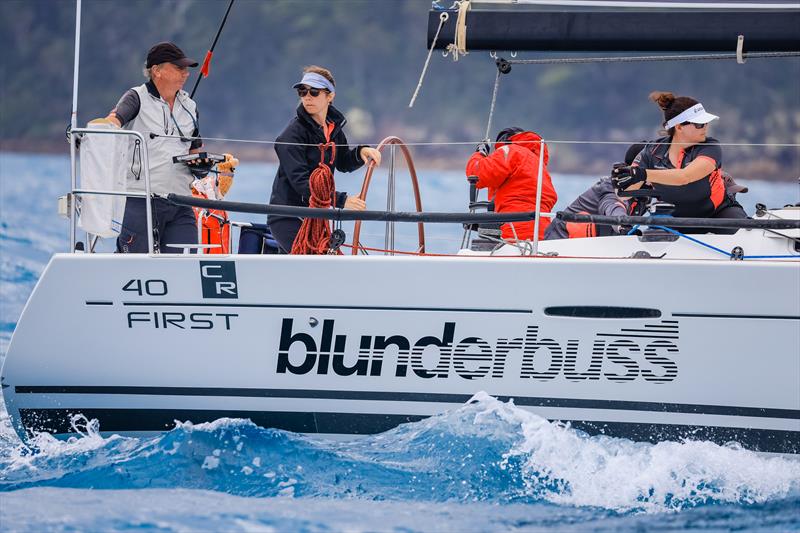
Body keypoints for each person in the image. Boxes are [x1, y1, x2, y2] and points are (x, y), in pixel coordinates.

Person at [268, 66, 382, 253]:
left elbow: (344, 161)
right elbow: (302, 184)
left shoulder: (333, 128)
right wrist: (342, 200)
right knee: (314, 263)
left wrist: (361, 153)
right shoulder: (290, 136)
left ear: (330, 96)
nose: (307, 97)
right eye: (302, 91)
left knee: (322, 263)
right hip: (287, 217)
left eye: (314, 92)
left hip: (316, 217)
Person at [106, 42, 207, 253]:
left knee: (186, 263)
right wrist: (103, 129)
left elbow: (195, 149)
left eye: (186, 69)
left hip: (180, 201)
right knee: (134, 263)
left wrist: (202, 164)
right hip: (140, 200)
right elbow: (114, 120)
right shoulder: (136, 97)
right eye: (179, 68)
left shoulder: (190, 106)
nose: (185, 74)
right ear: (157, 70)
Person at [611, 92, 747, 233]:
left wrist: (643, 174)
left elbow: (685, 177)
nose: (705, 127)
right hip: (673, 219)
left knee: (745, 234)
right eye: (699, 124)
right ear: (679, 127)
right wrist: (620, 181)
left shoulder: (710, 147)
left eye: (706, 122)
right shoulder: (651, 152)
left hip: (717, 214)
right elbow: (626, 194)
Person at [465, 127, 557, 241]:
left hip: (514, 232)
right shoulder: (540, 167)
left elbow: (477, 175)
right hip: (542, 236)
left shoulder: (511, 151)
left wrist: (480, 153)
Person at [545, 143, 646, 240]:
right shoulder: (613, 187)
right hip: (561, 240)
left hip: (596, 244)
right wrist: (623, 224)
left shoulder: (645, 193)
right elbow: (613, 205)